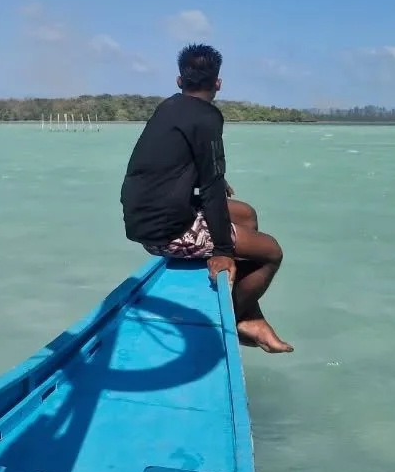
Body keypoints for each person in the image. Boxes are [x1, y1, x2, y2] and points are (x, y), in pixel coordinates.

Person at [120, 43, 292, 353]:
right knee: (271, 252)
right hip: (166, 233)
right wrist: (222, 251)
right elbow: (211, 188)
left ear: (179, 81)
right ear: (218, 84)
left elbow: (175, 162)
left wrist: (214, 178)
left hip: (143, 219)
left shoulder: (168, 107)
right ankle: (235, 319)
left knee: (246, 214)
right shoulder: (208, 116)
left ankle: (250, 312)